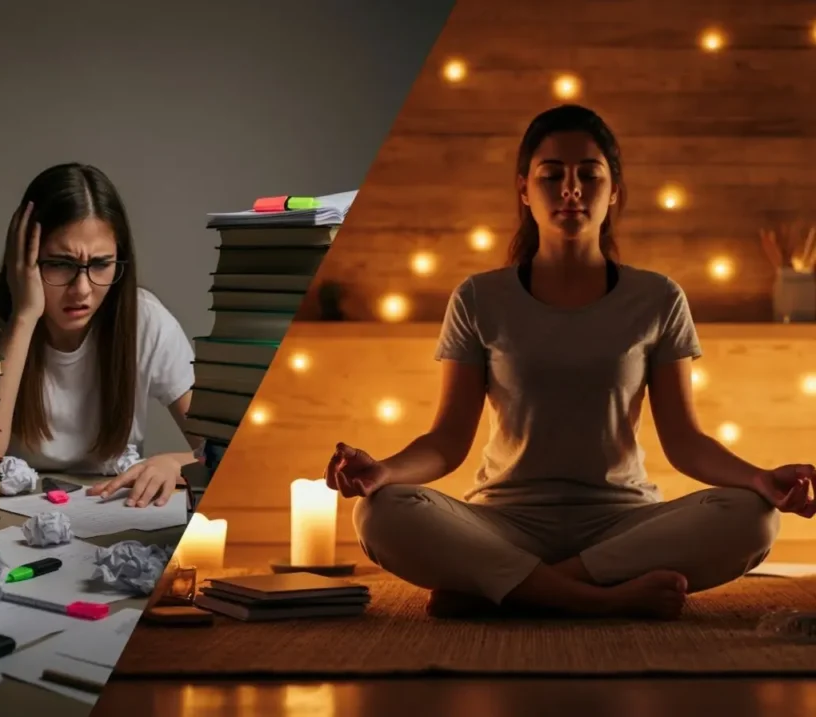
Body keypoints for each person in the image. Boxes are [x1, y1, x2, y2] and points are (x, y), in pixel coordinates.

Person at [324, 104, 816, 621]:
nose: (571, 189)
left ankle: (508, 588)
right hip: (504, 523)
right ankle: (598, 598)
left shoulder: (657, 298)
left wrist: (760, 479)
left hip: (622, 524)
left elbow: (686, 442)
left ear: (614, 190)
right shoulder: (478, 298)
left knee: (753, 517)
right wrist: (383, 471)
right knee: (381, 513)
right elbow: (446, 442)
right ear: (524, 190)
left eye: (589, 175)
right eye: (552, 175)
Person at [0, 162, 201, 508]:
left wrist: (176, 463)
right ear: (23, 258)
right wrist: (24, 317)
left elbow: (229, 450)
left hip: (112, 513)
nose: (82, 289)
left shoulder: (145, 319)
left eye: (100, 264)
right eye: (61, 264)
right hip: (7, 518)